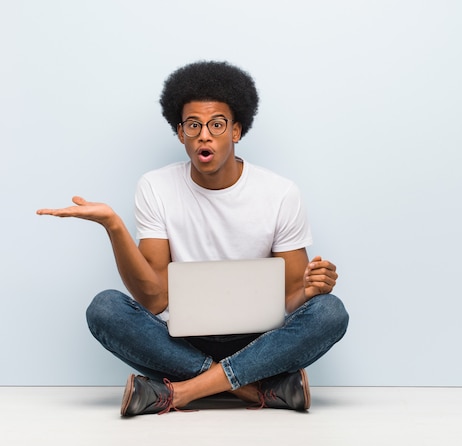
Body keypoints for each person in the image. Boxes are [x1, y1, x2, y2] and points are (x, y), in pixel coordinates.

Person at [36, 60, 349, 417]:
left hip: (259, 342)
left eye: (216, 124)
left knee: (330, 312)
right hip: (180, 339)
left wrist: (310, 291)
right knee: (105, 308)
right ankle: (254, 390)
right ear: (180, 132)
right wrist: (114, 226)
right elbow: (154, 299)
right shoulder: (156, 187)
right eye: (193, 125)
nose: (204, 134)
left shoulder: (280, 192)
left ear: (236, 131)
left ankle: (180, 393)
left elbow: (294, 297)